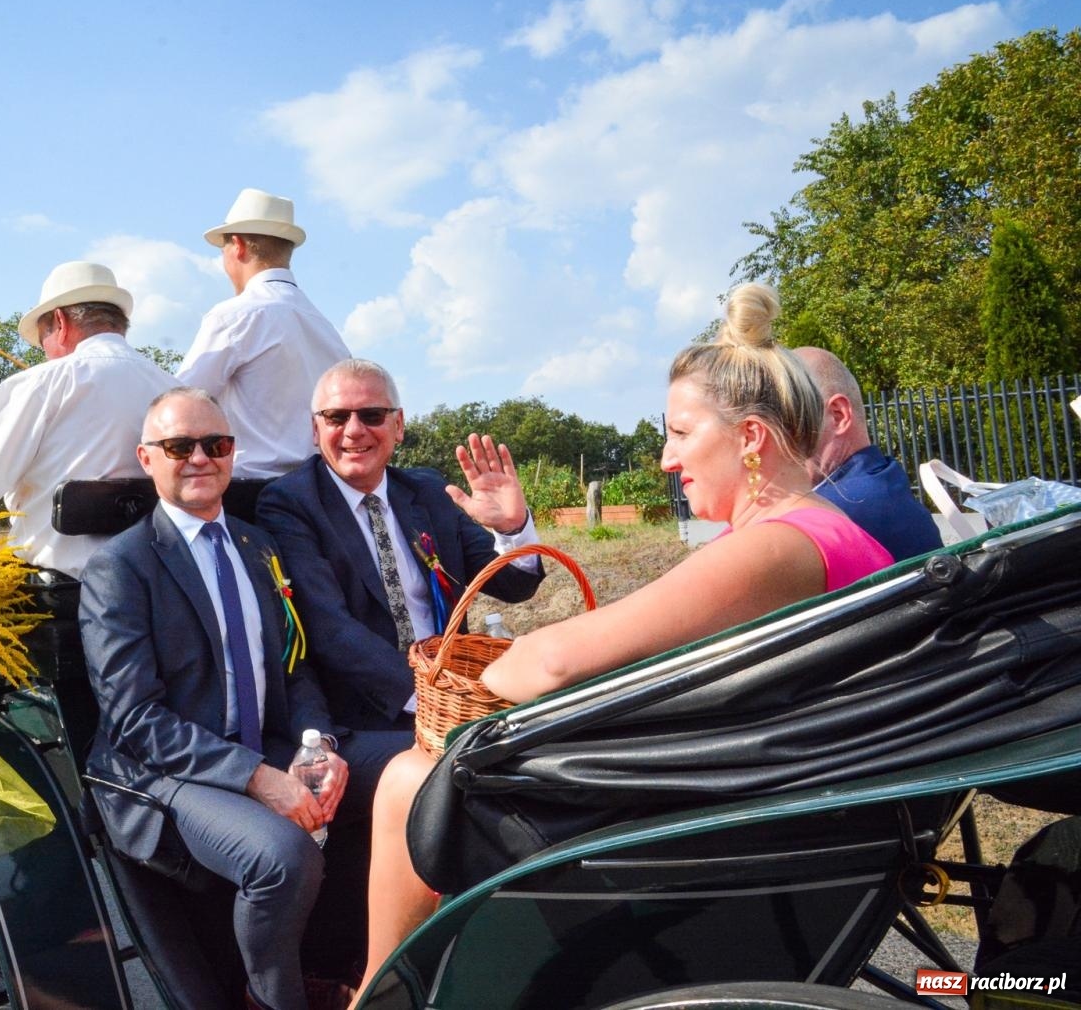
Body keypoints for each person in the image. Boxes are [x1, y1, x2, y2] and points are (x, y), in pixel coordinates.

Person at [354, 284, 896, 999]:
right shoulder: (829, 530)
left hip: (714, 825)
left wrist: (512, 666)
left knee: (405, 780)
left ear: (752, 438)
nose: (667, 458)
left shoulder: (775, 547)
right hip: (762, 791)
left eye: (680, 432)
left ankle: (375, 995)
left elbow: (550, 663)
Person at [82, 387, 404, 1010]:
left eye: (217, 444)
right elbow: (134, 720)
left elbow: (295, 664)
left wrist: (317, 747)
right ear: (147, 458)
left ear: (232, 455)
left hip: (270, 743)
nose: (200, 457)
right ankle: (272, 1000)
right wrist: (258, 778)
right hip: (164, 773)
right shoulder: (120, 567)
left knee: (414, 766)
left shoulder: (258, 547)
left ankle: (368, 970)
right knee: (283, 857)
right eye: (180, 446)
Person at [256, 358, 545, 732]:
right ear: (316, 429)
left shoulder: (427, 492)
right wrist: (430, 694)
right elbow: (329, 628)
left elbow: (514, 586)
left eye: (372, 415)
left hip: (455, 695)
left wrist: (512, 528)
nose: (354, 431)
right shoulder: (290, 503)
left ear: (399, 425)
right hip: (368, 714)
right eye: (336, 417)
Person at [0, 261, 175, 578]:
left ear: (59, 322)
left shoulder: (39, 384)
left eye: (41, 340)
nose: (44, 353)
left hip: (59, 603)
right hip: (161, 592)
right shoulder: (176, 389)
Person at [178, 188, 351, 478]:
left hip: (255, 493)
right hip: (325, 490)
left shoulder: (234, 316)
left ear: (238, 246)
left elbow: (180, 406)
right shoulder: (327, 328)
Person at [795, 346, 944, 562]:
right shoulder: (883, 482)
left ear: (837, 416)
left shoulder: (835, 511)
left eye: (786, 417)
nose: (773, 440)